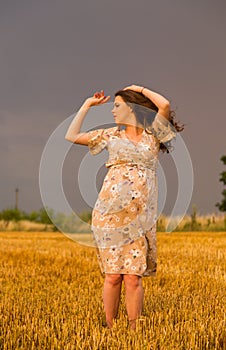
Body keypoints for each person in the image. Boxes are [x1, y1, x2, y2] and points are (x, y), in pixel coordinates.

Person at [65, 84, 183, 330]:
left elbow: (164, 105)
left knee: (132, 277)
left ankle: (133, 328)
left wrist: (140, 89)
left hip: (140, 218)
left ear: (133, 108)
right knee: (113, 276)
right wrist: (87, 105)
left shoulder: (153, 135)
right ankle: (109, 327)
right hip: (108, 216)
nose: (112, 111)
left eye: (117, 105)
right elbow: (72, 135)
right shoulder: (110, 136)